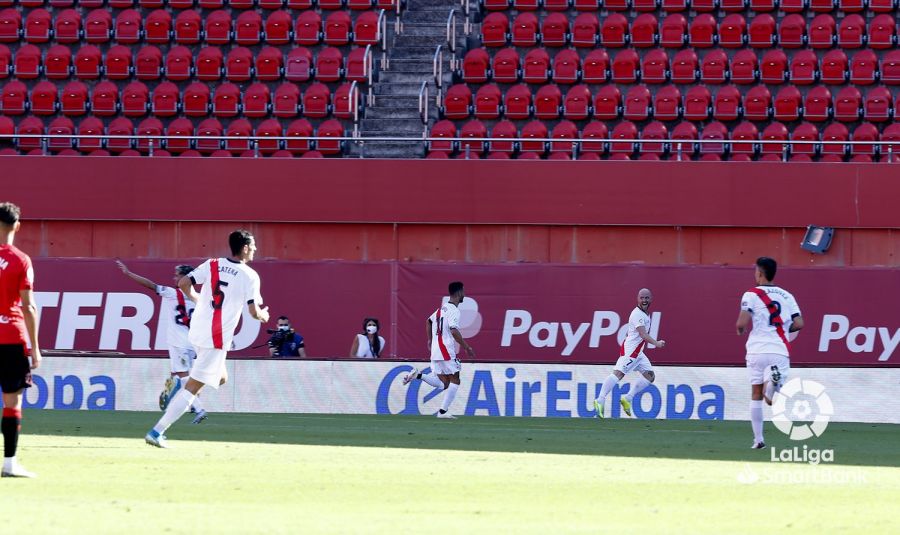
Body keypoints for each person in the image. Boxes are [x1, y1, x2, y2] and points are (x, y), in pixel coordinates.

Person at [145, 229, 269, 448]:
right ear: (245, 247)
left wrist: (199, 300)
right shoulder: (250, 276)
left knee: (220, 378)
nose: (256, 249)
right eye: (254, 245)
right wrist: (264, 315)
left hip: (198, 331)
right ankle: (157, 432)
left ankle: (181, 383)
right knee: (193, 388)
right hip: (216, 336)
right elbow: (253, 311)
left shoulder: (212, 263)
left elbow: (183, 283)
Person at [116, 260, 208, 423]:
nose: (174, 278)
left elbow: (151, 285)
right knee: (181, 374)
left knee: (183, 376)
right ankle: (181, 392)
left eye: (177, 275)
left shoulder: (172, 293)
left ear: (185, 277)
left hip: (178, 342)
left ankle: (198, 408)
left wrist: (128, 273)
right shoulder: (199, 298)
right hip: (193, 343)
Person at [736, 256, 803, 450]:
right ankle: (772, 385)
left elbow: (742, 323)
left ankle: (758, 440)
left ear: (760, 273)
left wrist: (740, 330)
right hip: (778, 350)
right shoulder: (787, 295)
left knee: (756, 394)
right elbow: (799, 323)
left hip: (756, 350)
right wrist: (781, 330)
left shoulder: (750, 294)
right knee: (771, 399)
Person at [0, 202, 41, 478]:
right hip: (11, 338)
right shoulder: (22, 260)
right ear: (17, 226)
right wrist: (36, 349)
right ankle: (10, 463)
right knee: (12, 402)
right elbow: (28, 307)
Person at [403, 282, 475, 419]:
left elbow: (428, 321)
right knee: (455, 379)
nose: (464, 294)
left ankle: (418, 375)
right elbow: (454, 331)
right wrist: (467, 347)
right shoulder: (454, 310)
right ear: (459, 293)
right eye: (463, 292)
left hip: (436, 350)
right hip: (445, 349)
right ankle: (442, 412)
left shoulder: (440, 310)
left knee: (443, 383)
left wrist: (430, 340)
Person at [593, 288, 666, 419]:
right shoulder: (637, 314)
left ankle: (628, 398)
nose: (644, 300)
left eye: (647, 298)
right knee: (618, 374)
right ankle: (600, 400)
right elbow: (643, 334)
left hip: (638, 353)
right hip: (631, 352)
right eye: (642, 298)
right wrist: (656, 343)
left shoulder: (644, 314)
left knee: (650, 376)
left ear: (651, 299)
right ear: (637, 299)